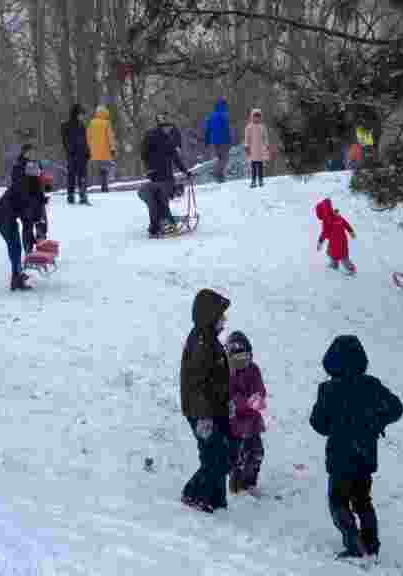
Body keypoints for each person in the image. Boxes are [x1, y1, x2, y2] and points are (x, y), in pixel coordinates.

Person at [309, 335, 403, 560]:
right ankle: (371, 543)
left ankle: (354, 543)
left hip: (340, 456)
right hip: (365, 454)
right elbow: (396, 408)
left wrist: (335, 427)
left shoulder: (329, 389)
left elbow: (318, 423)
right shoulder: (371, 385)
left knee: (338, 501)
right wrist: (375, 422)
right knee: (362, 500)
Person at [180, 288, 232, 513]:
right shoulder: (202, 343)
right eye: (221, 316)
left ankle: (215, 498)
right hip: (203, 411)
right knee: (216, 456)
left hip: (215, 408)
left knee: (218, 453)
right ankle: (194, 493)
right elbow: (196, 382)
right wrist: (203, 416)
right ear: (210, 318)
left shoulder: (210, 340)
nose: (224, 320)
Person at [0, 158, 45, 291]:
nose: (36, 173)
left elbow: (28, 215)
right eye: (32, 171)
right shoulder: (24, 186)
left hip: (7, 216)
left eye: (37, 170)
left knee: (14, 246)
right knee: (14, 247)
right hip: (2, 217)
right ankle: (16, 279)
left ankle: (17, 274)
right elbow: (27, 215)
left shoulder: (27, 184)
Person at [226, 330, 267, 495]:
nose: (242, 362)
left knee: (257, 452)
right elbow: (229, 396)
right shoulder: (227, 373)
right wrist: (246, 402)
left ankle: (250, 483)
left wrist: (259, 396)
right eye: (237, 359)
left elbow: (260, 388)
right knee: (239, 457)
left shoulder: (253, 369)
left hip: (253, 421)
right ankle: (236, 486)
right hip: (235, 424)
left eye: (245, 358)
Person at [138, 114, 191, 237]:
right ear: (163, 126)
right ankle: (164, 224)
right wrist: (185, 171)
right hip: (161, 176)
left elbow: (174, 157)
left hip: (158, 175)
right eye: (168, 127)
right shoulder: (160, 138)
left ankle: (158, 225)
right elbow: (175, 158)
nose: (169, 129)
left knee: (158, 200)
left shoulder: (159, 137)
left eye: (170, 127)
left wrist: (185, 171)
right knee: (160, 199)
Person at [315, 198, 357, 274]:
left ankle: (350, 269)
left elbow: (324, 232)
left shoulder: (326, 220)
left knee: (342, 256)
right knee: (334, 253)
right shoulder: (336, 216)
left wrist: (320, 242)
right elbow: (345, 223)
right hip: (342, 240)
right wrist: (351, 231)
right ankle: (335, 265)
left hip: (335, 241)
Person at [61, 104, 90, 204]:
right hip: (72, 155)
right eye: (81, 114)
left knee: (83, 176)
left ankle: (83, 195)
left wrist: (87, 151)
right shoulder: (66, 125)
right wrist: (70, 151)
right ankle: (71, 195)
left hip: (82, 154)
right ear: (76, 114)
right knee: (71, 175)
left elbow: (85, 140)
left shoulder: (82, 126)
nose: (82, 116)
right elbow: (65, 141)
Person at [88, 105, 117, 193]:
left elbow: (88, 136)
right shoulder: (106, 123)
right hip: (105, 149)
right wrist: (112, 148)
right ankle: (104, 186)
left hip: (94, 150)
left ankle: (98, 184)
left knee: (99, 167)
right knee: (106, 167)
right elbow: (110, 137)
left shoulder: (92, 123)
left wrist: (89, 147)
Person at [204, 98, 232, 183]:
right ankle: (217, 173)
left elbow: (208, 129)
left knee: (220, 157)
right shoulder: (224, 115)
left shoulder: (211, 116)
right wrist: (230, 139)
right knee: (225, 158)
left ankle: (220, 176)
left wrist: (207, 141)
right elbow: (227, 129)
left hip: (215, 141)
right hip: (223, 140)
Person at [244, 109, 270, 188]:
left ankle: (261, 180)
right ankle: (253, 181)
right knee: (253, 166)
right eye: (255, 117)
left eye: (258, 117)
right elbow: (247, 138)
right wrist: (247, 146)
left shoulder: (262, 127)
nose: (257, 118)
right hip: (252, 149)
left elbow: (265, 137)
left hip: (260, 149)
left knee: (260, 166)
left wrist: (267, 145)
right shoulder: (249, 127)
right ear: (252, 117)